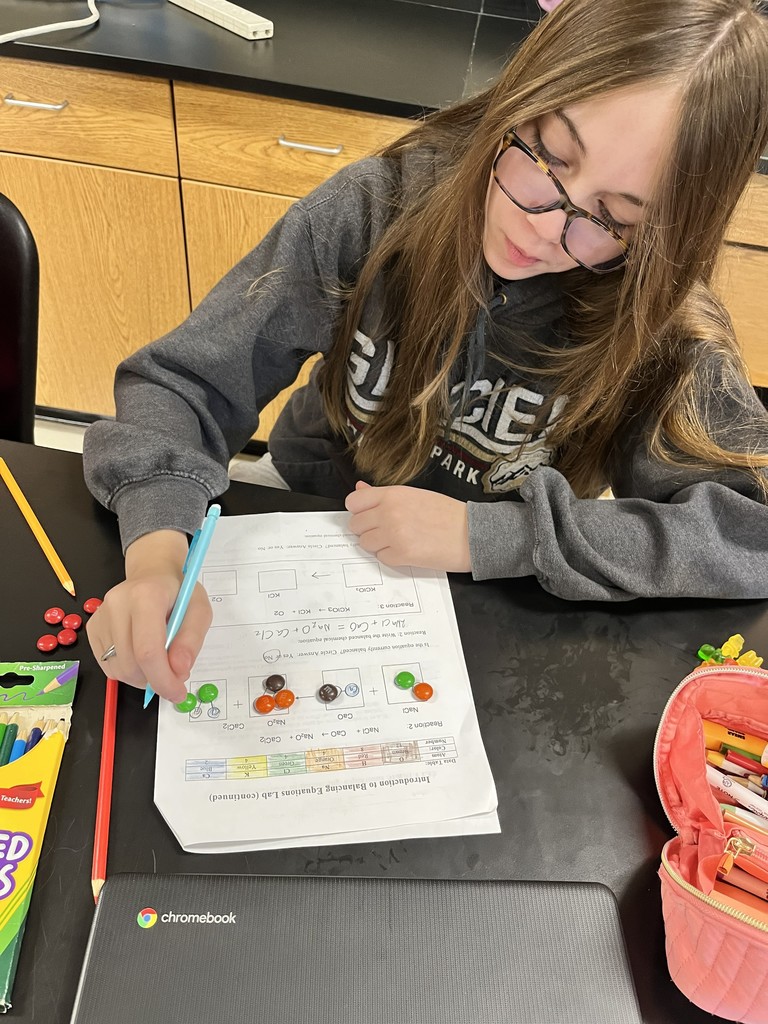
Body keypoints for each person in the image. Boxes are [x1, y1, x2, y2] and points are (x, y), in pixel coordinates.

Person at [83, 0, 768, 703]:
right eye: (549, 158)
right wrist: (159, 554)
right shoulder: (373, 210)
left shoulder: (661, 321)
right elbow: (183, 382)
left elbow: (750, 535)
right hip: (316, 508)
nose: (539, 229)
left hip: (508, 584)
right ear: (518, 98)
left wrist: (492, 537)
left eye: (609, 220)